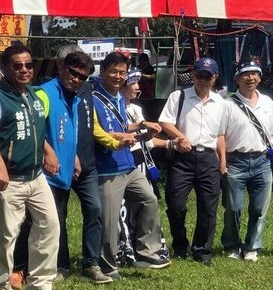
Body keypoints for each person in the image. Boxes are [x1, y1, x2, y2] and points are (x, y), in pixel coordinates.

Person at [0, 43, 61, 290]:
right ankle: (0, 287)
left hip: (36, 176)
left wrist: (48, 151)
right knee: (6, 235)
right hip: (11, 179)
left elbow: (36, 129)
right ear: (6, 68)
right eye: (17, 65)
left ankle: (39, 285)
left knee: (49, 225)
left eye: (28, 65)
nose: (24, 70)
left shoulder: (34, 94)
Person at [37, 48, 111, 284]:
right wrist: (49, 154)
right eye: (73, 73)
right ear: (61, 68)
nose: (76, 79)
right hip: (53, 170)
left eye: (83, 76)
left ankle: (91, 264)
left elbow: (79, 128)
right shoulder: (44, 93)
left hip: (81, 164)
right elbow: (35, 129)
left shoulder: (80, 93)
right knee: (57, 217)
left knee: (95, 210)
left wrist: (75, 155)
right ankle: (60, 266)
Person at [92, 52, 169, 279]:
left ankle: (146, 252)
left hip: (128, 164)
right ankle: (106, 264)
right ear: (103, 71)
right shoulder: (93, 97)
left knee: (149, 199)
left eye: (122, 72)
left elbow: (123, 125)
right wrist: (117, 137)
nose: (118, 76)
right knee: (109, 218)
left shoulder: (118, 97)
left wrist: (143, 126)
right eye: (114, 71)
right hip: (108, 167)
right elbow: (96, 132)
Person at [158, 57, 228, 265]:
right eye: (199, 75)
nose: (202, 80)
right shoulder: (178, 96)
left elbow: (220, 135)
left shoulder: (221, 103)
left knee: (208, 208)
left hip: (208, 158)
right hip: (183, 157)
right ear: (193, 75)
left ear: (214, 78)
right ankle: (180, 244)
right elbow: (164, 122)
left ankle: (202, 250)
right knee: (176, 205)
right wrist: (180, 136)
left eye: (207, 76)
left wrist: (223, 160)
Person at [220, 58, 273, 262]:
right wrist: (222, 161)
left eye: (254, 74)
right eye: (245, 74)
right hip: (236, 161)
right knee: (234, 208)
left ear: (259, 77)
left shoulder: (268, 102)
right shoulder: (227, 104)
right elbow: (220, 135)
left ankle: (252, 246)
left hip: (262, 162)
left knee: (260, 209)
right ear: (237, 79)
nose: (250, 78)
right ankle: (232, 245)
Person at [117, 68, 170, 266]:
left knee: (146, 201)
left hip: (141, 161)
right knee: (124, 207)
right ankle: (125, 247)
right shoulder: (117, 106)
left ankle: (147, 246)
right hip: (123, 159)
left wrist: (161, 140)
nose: (138, 87)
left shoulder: (136, 109)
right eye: (133, 83)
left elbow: (143, 141)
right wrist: (143, 126)